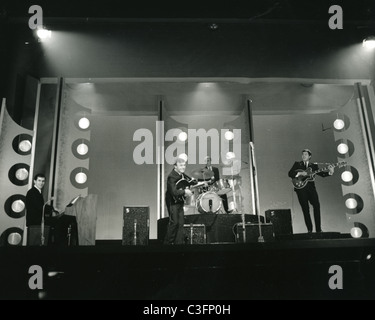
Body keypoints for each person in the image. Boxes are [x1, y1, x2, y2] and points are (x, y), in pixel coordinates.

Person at [288, 149, 334, 233]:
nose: (303, 156)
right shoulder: (297, 164)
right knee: (305, 209)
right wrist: (300, 174)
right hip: (301, 189)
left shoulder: (314, 166)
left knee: (316, 206)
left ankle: (318, 229)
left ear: (309, 156)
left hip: (311, 189)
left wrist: (330, 172)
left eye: (305, 154)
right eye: (303, 154)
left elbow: (322, 174)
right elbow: (290, 173)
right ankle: (309, 230)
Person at [165, 158, 194, 245]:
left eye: (184, 165)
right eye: (181, 165)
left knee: (181, 223)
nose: (183, 167)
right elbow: (173, 192)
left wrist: (197, 181)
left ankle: (179, 244)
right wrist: (185, 192)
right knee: (174, 222)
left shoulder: (182, 174)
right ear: (175, 166)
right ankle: (167, 244)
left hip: (179, 201)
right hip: (172, 202)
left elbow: (190, 181)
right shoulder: (171, 177)